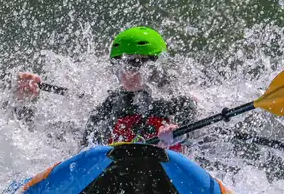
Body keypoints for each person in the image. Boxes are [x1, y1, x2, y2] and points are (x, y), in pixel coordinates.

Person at [14, 26, 198, 151]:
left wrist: (179, 134)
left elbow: (195, 139)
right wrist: (27, 103)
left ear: (156, 66)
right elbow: (82, 151)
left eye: (134, 63)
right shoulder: (110, 105)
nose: (126, 71)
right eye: (118, 63)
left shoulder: (178, 100)